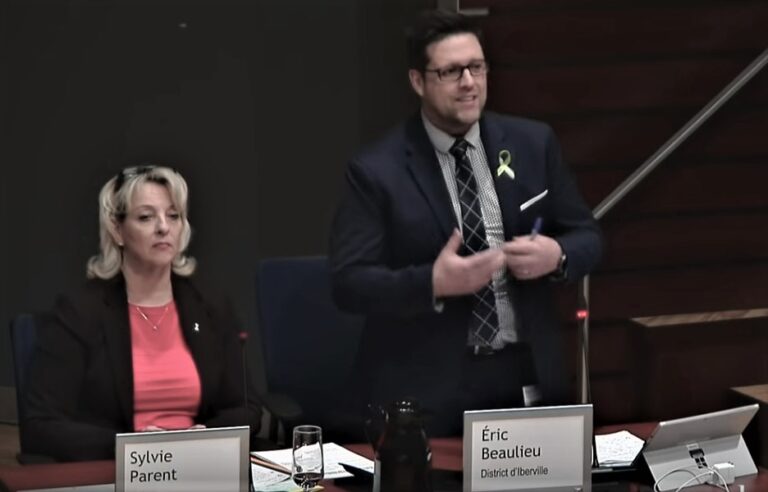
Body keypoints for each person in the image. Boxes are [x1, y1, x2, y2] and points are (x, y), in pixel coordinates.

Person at [329, 10, 602, 436]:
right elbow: (348, 282)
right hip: (426, 389)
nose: (469, 82)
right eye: (451, 71)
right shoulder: (376, 171)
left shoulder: (532, 144)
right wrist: (433, 283)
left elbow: (588, 236)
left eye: (477, 67)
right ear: (418, 81)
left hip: (525, 373)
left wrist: (557, 254)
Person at [24, 165, 262, 461]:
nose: (163, 227)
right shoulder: (80, 311)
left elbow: (247, 407)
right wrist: (131, 445)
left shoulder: (210, 306)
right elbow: (40, 425)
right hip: (119, 468)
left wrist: (202, 437)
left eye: (173, 215)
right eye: (146, 217)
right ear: (117, 229)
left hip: (200, 464)